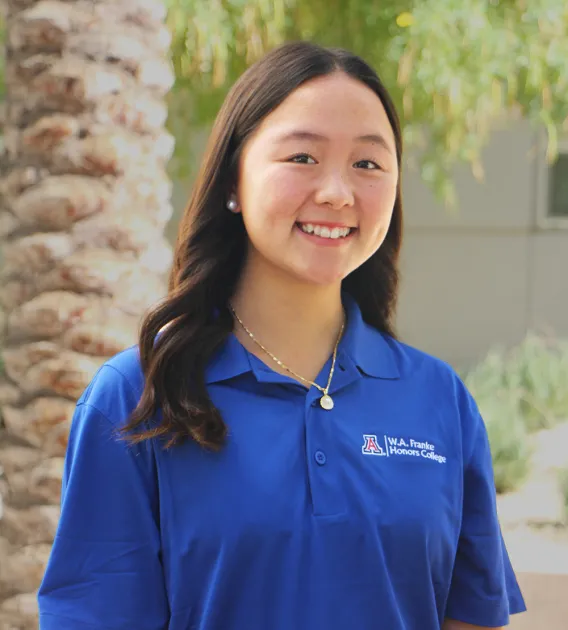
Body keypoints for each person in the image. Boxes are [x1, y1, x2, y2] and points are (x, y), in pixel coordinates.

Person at [38, 41, 526, 630]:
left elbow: (472, 618)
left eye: (368, 164)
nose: (337, 193)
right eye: (302, 156)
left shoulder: (439, 399)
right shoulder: (138, 395)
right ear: (233, 183)